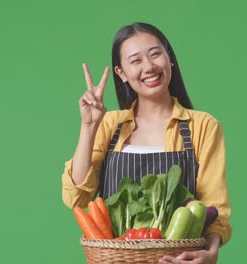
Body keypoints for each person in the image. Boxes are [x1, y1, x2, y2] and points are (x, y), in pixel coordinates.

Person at [62, 22, 232, 263]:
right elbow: (77, 198)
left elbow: (215, 207)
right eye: (136, 60)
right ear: (121, 73)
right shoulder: (110, 125)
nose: (149, 67)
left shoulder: (202, 126)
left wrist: (211, 252)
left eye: (155, 54)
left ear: (170, 58)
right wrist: (89, 126)